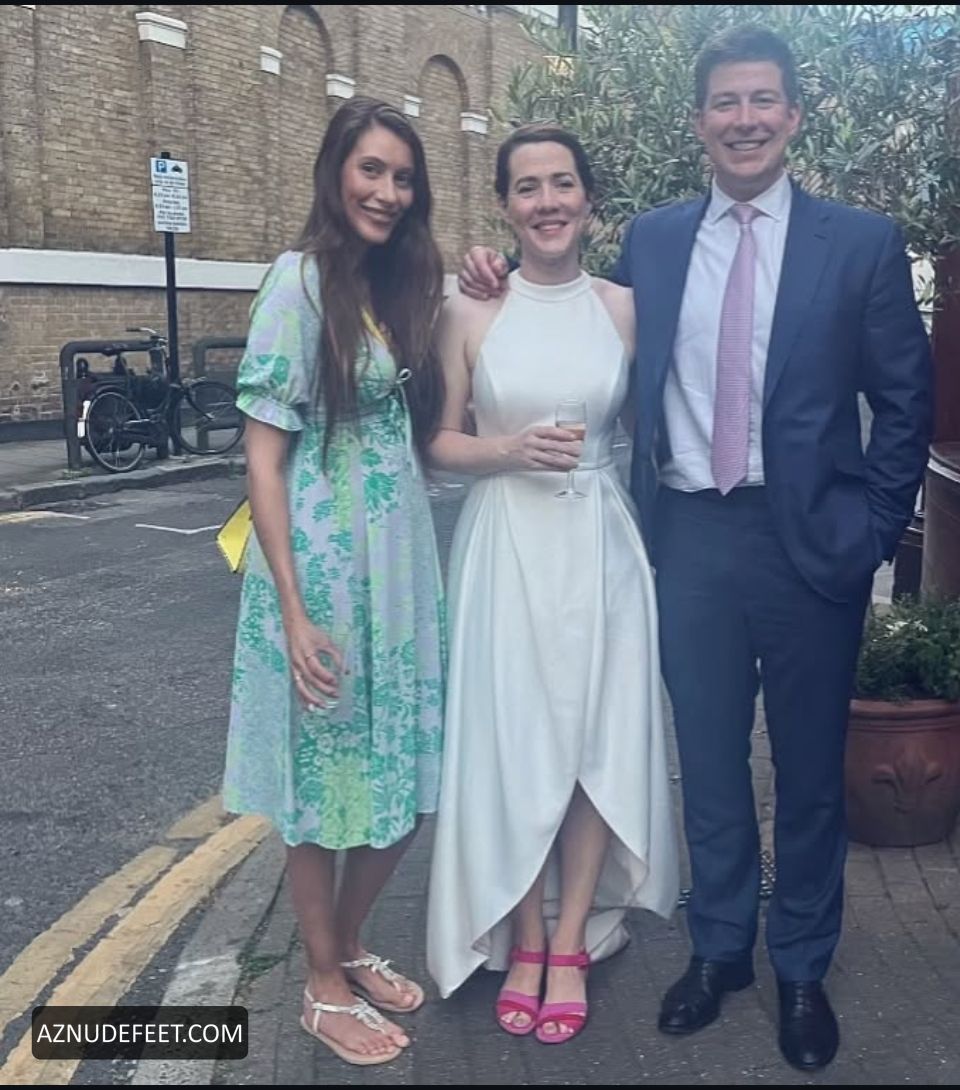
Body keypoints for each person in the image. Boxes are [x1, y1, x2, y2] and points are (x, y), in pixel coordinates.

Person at [458, 26, 933, 1071]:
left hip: (813, 546)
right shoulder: (657, 243)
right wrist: (486, 273)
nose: (745, 119)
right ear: (699, 123)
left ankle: (800, 965)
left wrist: (870, 531)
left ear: (793, 115)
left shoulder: (859, 243)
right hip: (690, 539)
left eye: (763, 100)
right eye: (726, 102)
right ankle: (720, 950)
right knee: (709, 763)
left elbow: (905, 402)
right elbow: (568, 307)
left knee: (808, 772)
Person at [425, 123, 679, 1046]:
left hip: (602, 543)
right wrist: (507, 449)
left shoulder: (625, 308)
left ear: (589, 199)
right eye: (527, 187)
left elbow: (660, 427)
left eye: (562, 183)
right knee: (516, 741)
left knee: (593, 744)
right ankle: (523, 936)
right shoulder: (469, 309)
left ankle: (570, 939)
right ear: (504, 206)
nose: (547, 202)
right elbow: (437, 442)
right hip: (506, 543)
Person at [222, 97, 446, 1067]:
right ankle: (320, 984)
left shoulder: (393, 285)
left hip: (397, 577)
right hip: (322, 577)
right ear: (335, 173)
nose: (387, 192)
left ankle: (347, 945)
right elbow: (263, 458)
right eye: (371, 170)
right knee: (322, 785)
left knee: (407, 777)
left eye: (403, 177)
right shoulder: (300, 282)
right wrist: (293, 607)